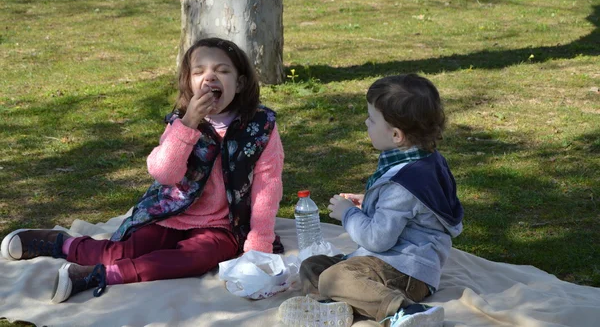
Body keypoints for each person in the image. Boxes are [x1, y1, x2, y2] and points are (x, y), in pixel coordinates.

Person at [1, 37, 285, 303]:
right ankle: (61, 245)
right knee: (123, 251)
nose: (209, 78)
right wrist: (187, 125)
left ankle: (100, 276)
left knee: (197, 259)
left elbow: (267, 184)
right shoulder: (182, 122)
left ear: (240, 82)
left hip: (222, 225)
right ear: (189, 82)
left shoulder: (260, 126)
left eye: (222, 70)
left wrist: (259, 244)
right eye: (199, 72)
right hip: (170, 214)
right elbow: (164, 173)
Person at [279, 74, 463, 327]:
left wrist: (348, 214)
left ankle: (405, 311)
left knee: (334, 278)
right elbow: (412, 210)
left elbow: (378, 239)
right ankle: (330, 309)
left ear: (397, 134)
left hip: (406, 270)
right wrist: (368, 203)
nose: (366, 122)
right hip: (392, 261)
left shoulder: (404, 185)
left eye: (372, 119)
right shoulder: (421, 161)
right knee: (313, 265)